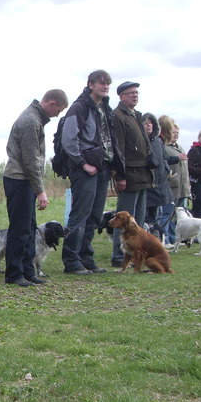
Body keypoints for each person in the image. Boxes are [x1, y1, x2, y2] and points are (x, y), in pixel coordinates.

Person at [3, 90, 68, 287]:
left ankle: (28, 271)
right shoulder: (31, 121)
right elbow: (30, 159)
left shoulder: (36, 118)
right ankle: (14, 274)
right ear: (51, 103)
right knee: (20, 229)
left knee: (30, 228)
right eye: (59, 110)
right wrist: (40, 189)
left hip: (25, 181)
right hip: (19, 180)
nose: (58, 115)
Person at [60, 70, 121, 275]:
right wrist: (83, 163)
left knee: (95, 217)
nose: (105, 87)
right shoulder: (79, 107)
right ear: (91, 84)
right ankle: (71, 261)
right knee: (80, 216)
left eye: (107, 85)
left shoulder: (105, 108)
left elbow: (108, 138)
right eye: (101, 84)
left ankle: (86, 258)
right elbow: (69, 139)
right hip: (84, 169)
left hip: (102, 168)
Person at [111, 81, 153, 267]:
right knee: (123, 220)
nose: (135, 95)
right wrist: (120, 175)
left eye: (137, 92)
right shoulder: (118, 116)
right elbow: (118, 148)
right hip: (129, 175)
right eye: (130, 93)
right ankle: (119, 257)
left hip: (143, 174)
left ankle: (137, 256)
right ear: (121, 96)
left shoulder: (136, 115)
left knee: (138, 220)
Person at [158, 115, 189, 245]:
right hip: (171, 186)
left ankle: (174, 238)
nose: (175, 135)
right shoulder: (164, 146)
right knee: (167, 214)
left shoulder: (179, 147)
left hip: (182, 187)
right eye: (173, 132)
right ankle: (165, 238)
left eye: (177, 133)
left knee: (179, 215)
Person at [142, 113, 174, 231]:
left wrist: (166, 169)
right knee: (144, 220)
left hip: (160, 185)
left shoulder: (158, 141)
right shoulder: (139, 141)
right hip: (146, 185)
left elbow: (164, 158)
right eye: (145, 123)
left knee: (155, 220)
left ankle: (155, 242)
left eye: (150, 122)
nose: (148, 125)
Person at [187, 130, 201, 220]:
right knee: (199, 206)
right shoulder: (194, 150)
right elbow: (188, 166)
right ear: (199, 138)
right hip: (198, 182)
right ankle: (197, 226)